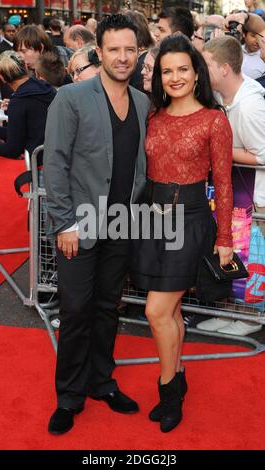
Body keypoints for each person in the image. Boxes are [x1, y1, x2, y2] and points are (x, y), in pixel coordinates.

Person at [43, 14, 150, 435]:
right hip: (80, 225)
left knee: (109, 308)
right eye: (114, 50)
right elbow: (55, 163)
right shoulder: (70, 97)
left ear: (138, 53)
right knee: (75, 311)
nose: (123, 57)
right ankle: (68, 397)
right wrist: (64, 223)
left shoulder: (142, 102)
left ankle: (101, 382)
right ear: (98, 52)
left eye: (130, 49)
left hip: (122, 224)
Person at [130, 34, 233, 433]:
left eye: (182, 70)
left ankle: (168, 388)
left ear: (196, 74)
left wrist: (224, 240)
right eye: (166, 70)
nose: (174, 77)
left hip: (190, 221)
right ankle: (179, 375)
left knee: (156, 311)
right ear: (159, 76)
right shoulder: (152, 116)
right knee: (169, 310)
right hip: (151, 220)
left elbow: (222, 183)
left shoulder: (213, 120)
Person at [198, 35, 265, 336]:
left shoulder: (251, 105)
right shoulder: (225, 99)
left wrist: (218, 149)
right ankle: (232, 311)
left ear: (224, 68)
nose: (201, 70)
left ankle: (251, 316)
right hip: (238, 193)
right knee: (234, 252)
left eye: (207, 64)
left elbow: (263, 154)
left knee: (254, 256)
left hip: (255, 197)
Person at [0, 50, 55, 158]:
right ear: (26, 68)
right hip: (57, 151)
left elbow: (13, 150)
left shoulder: (19, 101)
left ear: (2, 78)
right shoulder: (46, 88)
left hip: (39, 160)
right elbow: (19, 133)